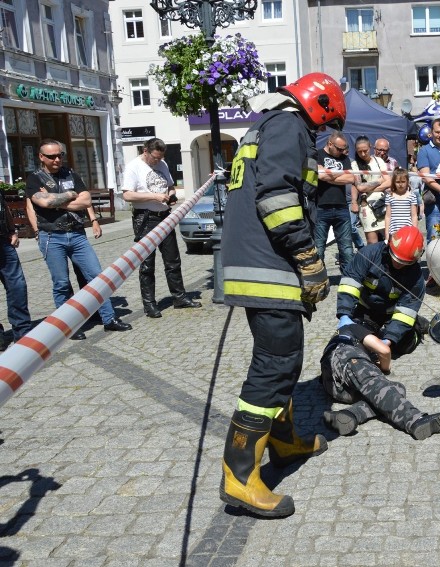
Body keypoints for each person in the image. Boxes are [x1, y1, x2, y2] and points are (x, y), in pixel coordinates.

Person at [219, 73, 345, 518]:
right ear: (323, 105)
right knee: (273, 367)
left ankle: (284, 443)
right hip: (267, 267)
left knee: (285, 359)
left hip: (257, 264)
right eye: (327, 125)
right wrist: (309, 258)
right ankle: (239, 474)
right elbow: (277, 199)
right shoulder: (290, 127)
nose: (323, 134)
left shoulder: (268, 125)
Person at [26, 139, 132, 340]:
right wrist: (70, 195)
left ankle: (108, 318)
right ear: (41, 157)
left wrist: (57, 201)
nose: (57, 159)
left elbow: (85, 200)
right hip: (51, 236)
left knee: (97, 277)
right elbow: (42, 202)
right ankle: (69, 326)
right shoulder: (35, 179)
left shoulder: (71, 174)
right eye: (52, 156)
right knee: (62, 284)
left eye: (60, 155)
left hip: (76, 234)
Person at [320, 320, 440, 440]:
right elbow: (384, 351)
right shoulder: (352, 328)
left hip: (334, 386)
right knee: (378, 383)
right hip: (344, 356)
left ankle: (351, 414)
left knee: (396, 388)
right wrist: (384, 368)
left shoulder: (340, 336)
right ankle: (415, 420)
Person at [120, 137, 202, 318]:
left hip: (165, 216)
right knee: (147, 263)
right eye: (154, 158)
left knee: (173, 260)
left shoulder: (162, 164)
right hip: (145, 218)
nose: (157, 161)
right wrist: (153, 197)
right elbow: (127, 195)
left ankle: (179, 297)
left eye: (160, 158)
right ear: (145, 151)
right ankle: (149, 304)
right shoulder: (134, 167)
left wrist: (171, 194)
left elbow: (170, 186)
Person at [337, 225, 426, 355]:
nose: (398, 264)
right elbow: (349, 284)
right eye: (395, 258)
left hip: (392, 313)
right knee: (356, 341)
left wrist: (389, 340)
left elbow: (406, 310)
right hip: (366, 309)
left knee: (403, 344)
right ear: (389, 245)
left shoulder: (416, 277)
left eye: (404, 262)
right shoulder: (369, 254)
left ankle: (416, 327)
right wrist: (344, 315)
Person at [316, 131, 357, 269]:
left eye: (344, 149)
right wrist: (339, 174)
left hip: (341, 207)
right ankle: (319, 280)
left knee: (347, 249)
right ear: (329, 144)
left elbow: (351, 178)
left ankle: (349, 278)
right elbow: (320, 176)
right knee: (319, 248)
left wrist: (329, 174)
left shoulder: (344, 158)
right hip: (321, 207)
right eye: (339, 149)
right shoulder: (317, 155)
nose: (342, 152)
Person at [0, 192, 32, 349]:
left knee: (17, 286)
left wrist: (12, 229)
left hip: (3, 240)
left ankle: (22, 331)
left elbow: (2, 205)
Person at [353, 136, 390, 245]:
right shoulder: (354, 165)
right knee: (372, 241)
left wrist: (369, 189)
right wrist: (379, 181)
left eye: (365, 151)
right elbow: (359, 187)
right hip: (366, 206)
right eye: (360, 152)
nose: (363, 154)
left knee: (388, 238)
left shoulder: (379, 161)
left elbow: (388, 181)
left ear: (370, 147)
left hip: (382, 203)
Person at [384, 167, 418, 239]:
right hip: (393, 232)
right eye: (398, 182)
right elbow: (388, 216)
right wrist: (387, 234)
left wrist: (415, 232)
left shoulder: (412, 196)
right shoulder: (389, 196)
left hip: (408, 232)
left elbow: (414, 216)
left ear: (407, 182)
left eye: (403, 182)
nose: (400, 184)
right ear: (394, 182)